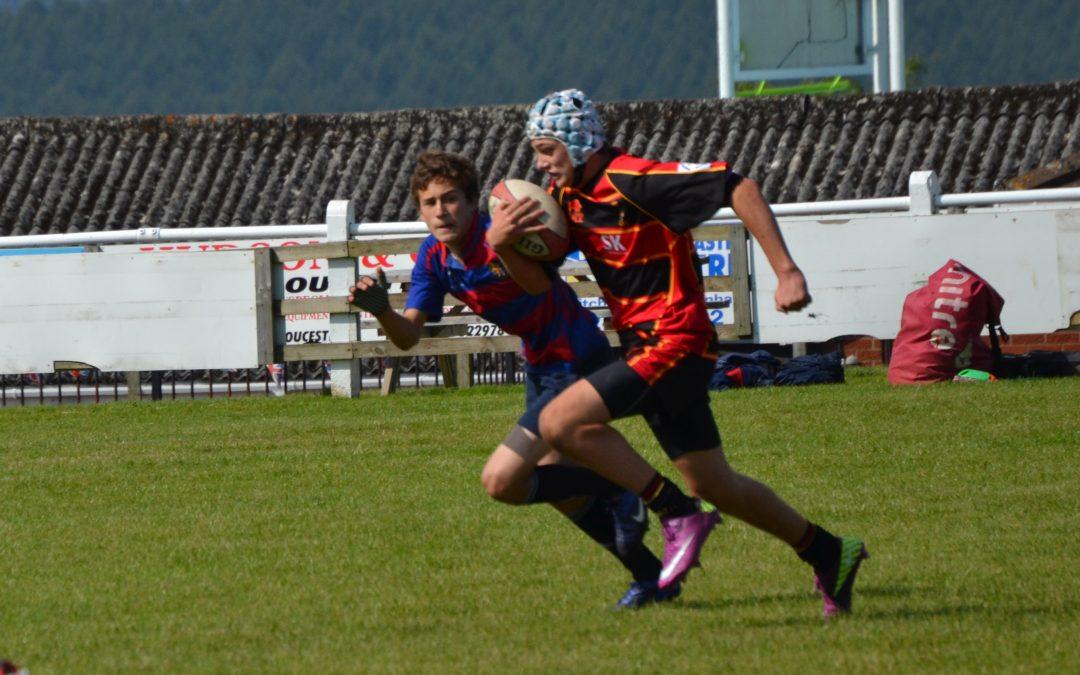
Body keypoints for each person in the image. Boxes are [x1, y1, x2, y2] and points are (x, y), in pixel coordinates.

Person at [504, 89, 867, 617]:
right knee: (716, 483)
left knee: (561, 422)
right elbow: (537, 285)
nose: (540, 163)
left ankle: (675, 513)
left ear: (577, 142)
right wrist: (502, 243)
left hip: (675, 342)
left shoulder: (635, 179)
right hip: (644, 346)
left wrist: (787, 271)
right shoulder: (568, 201)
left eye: (547, 150)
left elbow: (737, 185)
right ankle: (828, 551)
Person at [347, 150, 678, 609]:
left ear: (472, 202)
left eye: (450, 199)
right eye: (429, 203)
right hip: (542, 365)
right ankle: (649, 573)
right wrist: (382, 310)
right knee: (551, 488)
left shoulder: (503, 232)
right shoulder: (434, 256)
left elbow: (542, 286)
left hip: (577, 354)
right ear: (419, 210)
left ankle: (621, 490)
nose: (441, 211)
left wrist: (511, 241)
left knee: (508, 481)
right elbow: (408, 338)